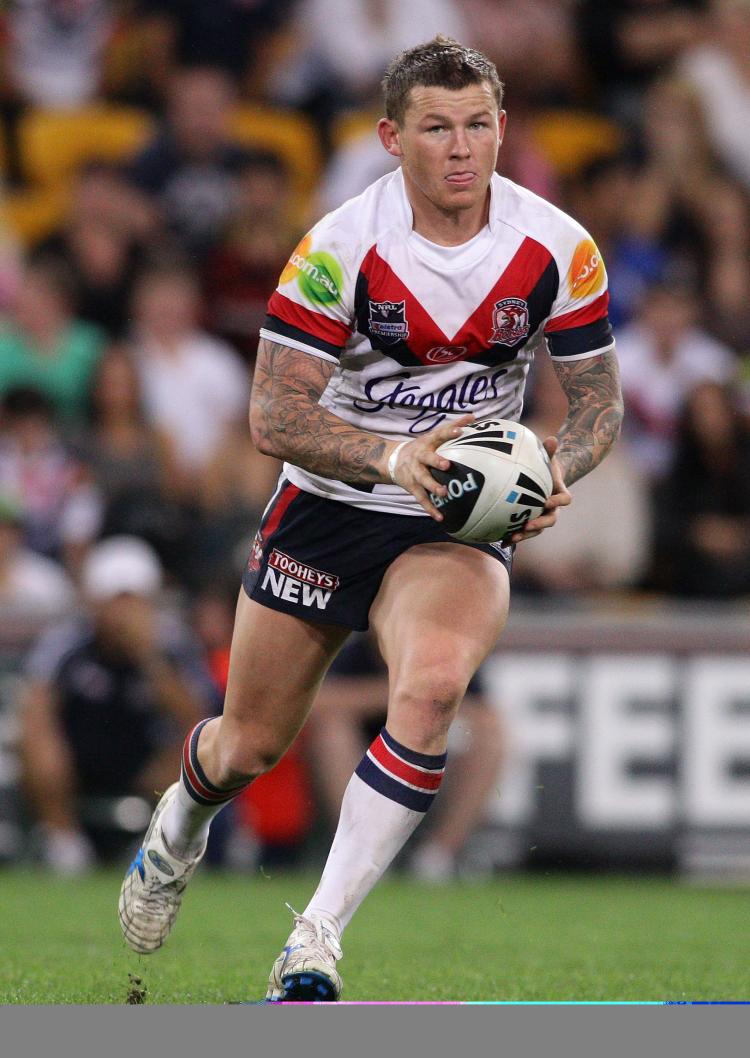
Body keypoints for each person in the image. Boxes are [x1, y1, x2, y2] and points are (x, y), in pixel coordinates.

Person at [118, 36, 623, 1002]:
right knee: (248, 747)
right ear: (394, 138)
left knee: (432, 692)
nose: (462, 148)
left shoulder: (558, 246)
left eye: (479, 125)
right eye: (437, 128)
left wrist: (553, 468)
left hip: (456, 523)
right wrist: (395, 457)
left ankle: (314, 939)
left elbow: (600, 400)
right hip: (333, 503)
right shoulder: (342, 247)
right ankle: (182, 816)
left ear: (503, 129)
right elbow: (274, 413)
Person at [20, 536, 214, 874]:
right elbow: (37, 707)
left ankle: (157, 844)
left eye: (134, 601)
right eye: (116, 601)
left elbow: (195, 716)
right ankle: (65, 845)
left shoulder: (173, 644)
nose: (124, 612)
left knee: (198, 749)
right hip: (79, 758)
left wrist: (147, 655)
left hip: (145, 760)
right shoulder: (68, 642)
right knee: (38, 739)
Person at [308, 631, 504, 881]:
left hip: (430, 765)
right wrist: (402, 695)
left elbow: (480, 713)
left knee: (490, 738)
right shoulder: (355, 654)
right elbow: (318, 703)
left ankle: (437, 858)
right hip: (364, 767)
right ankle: (362, 853)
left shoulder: (447, 654)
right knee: (332, 733)